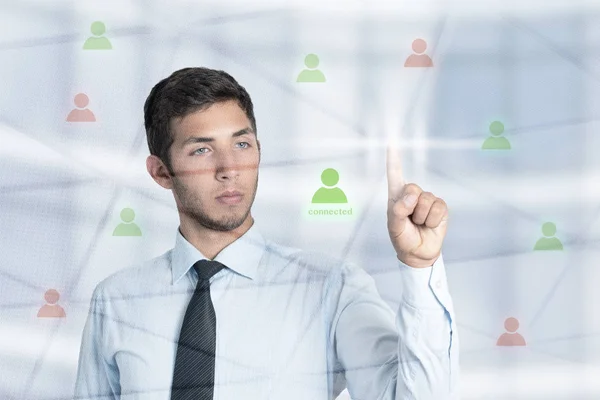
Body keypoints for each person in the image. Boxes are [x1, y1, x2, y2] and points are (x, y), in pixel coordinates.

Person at [74, 67, 459, 399]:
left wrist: (419, 265)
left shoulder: (331, 288)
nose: (229, 167)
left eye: (241, 144)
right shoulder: (117, 301)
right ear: (160, 172)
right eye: (202, 151)